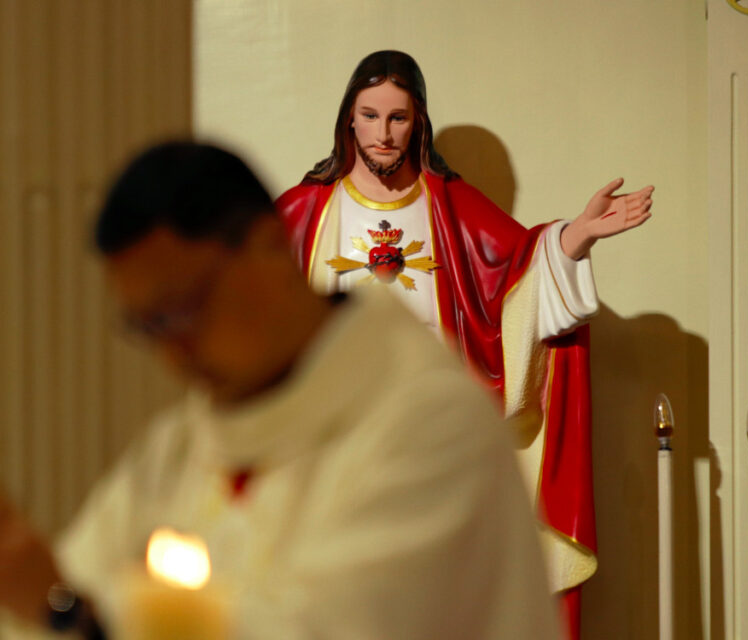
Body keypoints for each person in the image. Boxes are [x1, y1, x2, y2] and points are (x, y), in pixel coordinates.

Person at [0, 141, 562, 639]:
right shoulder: (179, 447)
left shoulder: (428, 423)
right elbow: (65, 590)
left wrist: (63, 609)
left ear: (269, 246)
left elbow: (325, 629)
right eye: (147, 326)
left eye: (183, 310)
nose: (172, 352)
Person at [276, 50, 653, 637]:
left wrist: (577, 235)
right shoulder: (303, 212)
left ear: (418, 122)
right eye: (370, 115)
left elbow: (522, 276)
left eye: (398, 118)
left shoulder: (450, 206)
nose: (383, 133)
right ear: (349, 117)